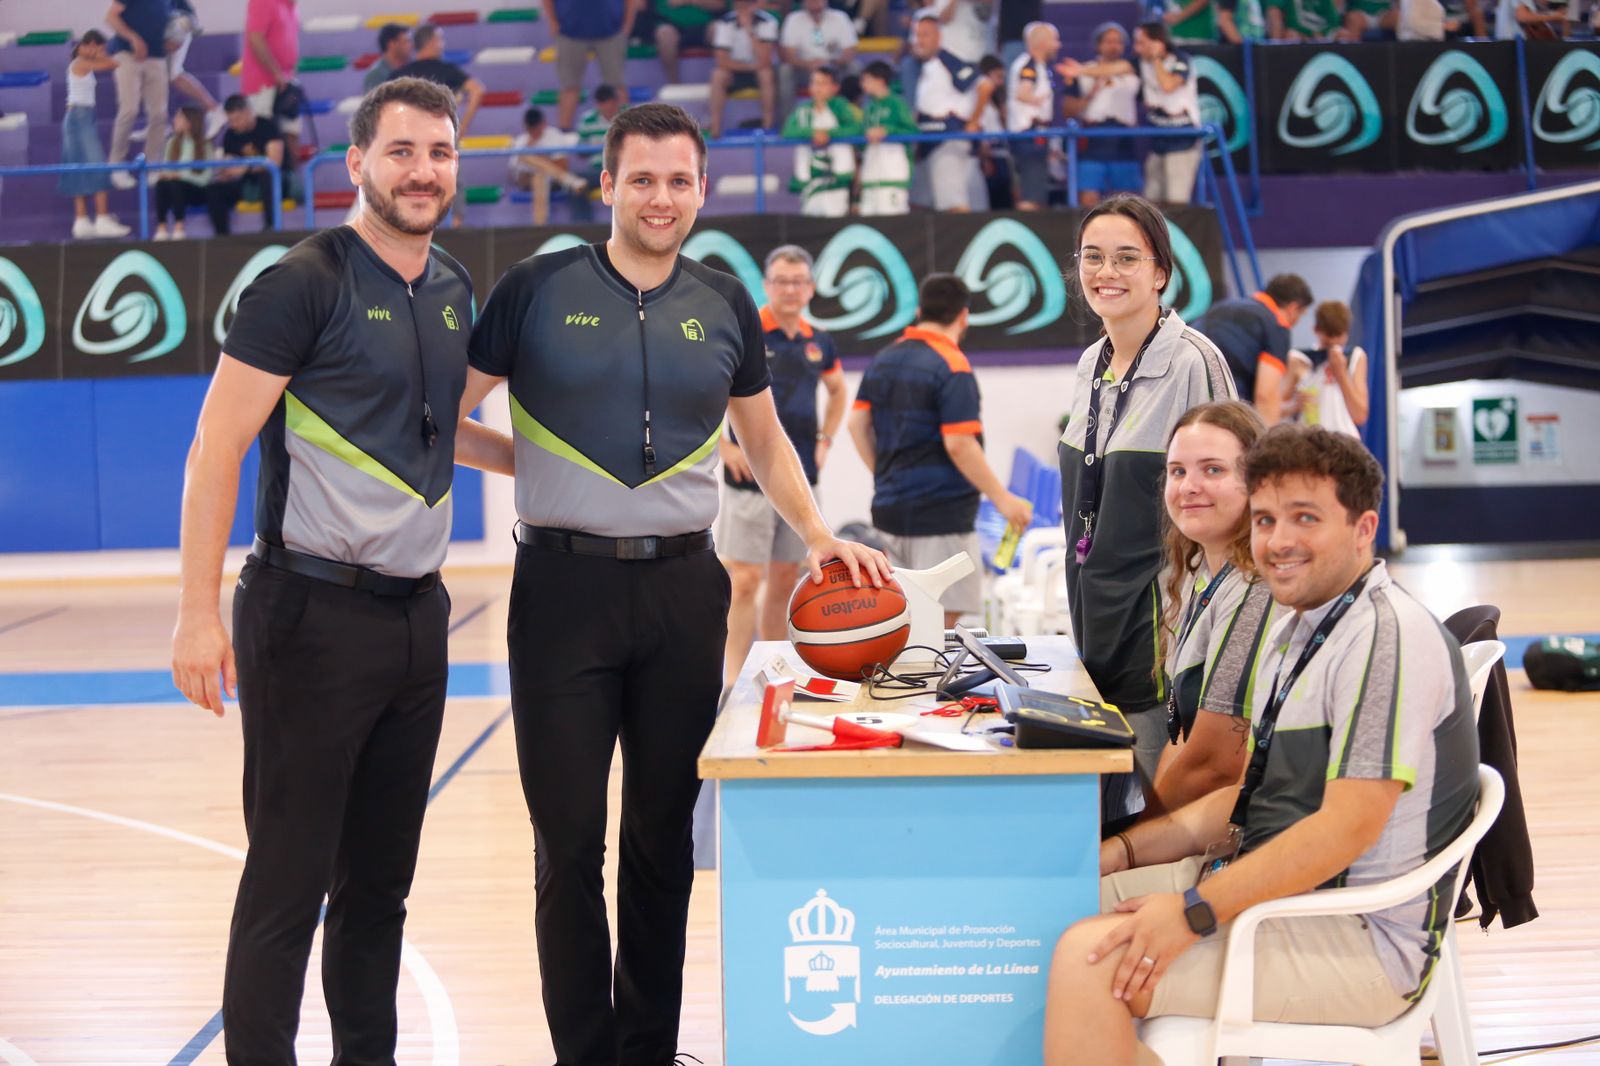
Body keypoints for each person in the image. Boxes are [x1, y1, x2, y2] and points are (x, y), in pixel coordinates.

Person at [459, 102, 890, 1066]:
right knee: (567, 846)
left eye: (680, 180)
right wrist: (531, 466)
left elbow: (768, 438)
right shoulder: (535, 288)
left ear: (703, 189)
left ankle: (649, 1047)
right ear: (606, 185)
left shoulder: (725, 300)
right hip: (562, 595)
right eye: (642, 179)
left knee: (661, 843)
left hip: (682, 593)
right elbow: (439, 418)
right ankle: (586, 1052)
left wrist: (819, 535)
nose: (662, 198)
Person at [170, 76, 510, 1064]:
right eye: (401, 152)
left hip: (419, 623)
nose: (423, 171)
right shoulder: (303, 280)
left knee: (378, 891)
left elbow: (443, 432)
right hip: (306, 614)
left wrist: (554, 463)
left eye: (440, 153)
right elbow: (214, 446)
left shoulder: (449, 286)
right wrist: (197, 614)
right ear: (357, 163)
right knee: (287, 886)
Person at [1043, 424, 1480, 1066]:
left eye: (1306, 518)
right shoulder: (1300, 629)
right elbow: (1245, 798)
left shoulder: (1385, 638)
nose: (1278, 541)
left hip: (1358, 943)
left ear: (1364, 528)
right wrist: (1121, 851)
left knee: (1089, 962)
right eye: (1267, 519)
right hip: (1283, 905)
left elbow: (1343, 831)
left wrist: (1191, 912)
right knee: (1045, 904)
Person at [1058, 193, 1237, 818]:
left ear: (1160, 271)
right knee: (1105, 811)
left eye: (1126, 258)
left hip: (1159, 621)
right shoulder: (1092, 363)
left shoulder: (1194, 361)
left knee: (1155, 814)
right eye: (1093, 257)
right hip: (1093, 611)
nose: (1106, 272)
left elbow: (1233, 499)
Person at [849, 274, 1032, 628]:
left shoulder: (884, 358)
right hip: (941, 516)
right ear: (964, 316)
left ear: (919, 311)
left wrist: (882, 473)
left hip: (888, 512)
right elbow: (960, 445)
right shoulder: (953, 365)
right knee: (935, 624)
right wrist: (1001, 499)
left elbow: (856, 426)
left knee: (901, 619)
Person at [717, 245, 848, 687]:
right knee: (746, 582)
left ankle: (772, 673)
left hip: (799, 482)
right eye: (780, 281)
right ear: (767, 286)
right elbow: (705, 391)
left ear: (809, 288)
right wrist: (724, 446)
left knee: (784, 581)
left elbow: (838, 391)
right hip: (747, 481)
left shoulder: (818, 340)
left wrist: (825, 440)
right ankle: (734, 678)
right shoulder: (745, 329)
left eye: (797, 282)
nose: (789, 290)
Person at [1148, 400, 1277, 817]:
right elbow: (1182, 735)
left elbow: (1217, 765)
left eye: (1213, 469)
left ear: (1257, 483)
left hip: (1241, 828)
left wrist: (1130, 841)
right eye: (1178, 471)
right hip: (1202, 817)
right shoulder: (1198, 570)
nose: (1188, 486)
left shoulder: (1255, 586)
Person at [1194, 273, 1312, 427]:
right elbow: (1266, 396)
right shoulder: (1277, 324)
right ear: (1293, 308)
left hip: (1190, 407)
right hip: (1224, 417)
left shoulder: (1220, 308)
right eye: (1300, 315)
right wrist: (1267, 446)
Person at [1059, 23, 1141, 208]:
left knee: (1127, 202)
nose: (1114, 46)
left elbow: (1123, 70)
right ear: (1098, 45)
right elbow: (1067, 109)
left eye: (1119, 42)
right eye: (1109, 41)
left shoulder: (1132, 70)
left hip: (1123, 140)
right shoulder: (1083, 72)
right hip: (1094, 139)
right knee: (1088, 199)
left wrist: (1082, 70)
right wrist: (1091, 93)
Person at [60, 30, 132, 239]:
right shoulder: (80, 61)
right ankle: (101, 218)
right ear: (89, 45)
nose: (102, 52)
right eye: (99, 47)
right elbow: (113, 64)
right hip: (79, 116)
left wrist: (98, 53)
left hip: (81, 116)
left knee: (81, 167)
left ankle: (81, 221)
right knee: (96, 164)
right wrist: (101, 54)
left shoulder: (81, 62)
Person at [909, 10, 980, 213]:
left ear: (938, 36)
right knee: (919, 203)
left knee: (953, 204)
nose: (919, 40)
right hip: (926, 142)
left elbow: (985, 86)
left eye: (925, 34)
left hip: (947, 139)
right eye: (917, 34)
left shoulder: (948, 60)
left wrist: (973, 121)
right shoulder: (926, 66)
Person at [104, 0, 171, 191]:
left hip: (156, 56)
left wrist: (179, 35)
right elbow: (110, 16)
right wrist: (132, 37)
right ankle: (116, 165)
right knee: (129, 109)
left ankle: (152, 164)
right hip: (127, 54)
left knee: (160, 114)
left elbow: (183, 18)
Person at [782, 65, 861, 217]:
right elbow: (787, 131)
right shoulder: (803, 109)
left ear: (835, 87)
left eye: (822, 83)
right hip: (810, 180)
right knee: (810, 221)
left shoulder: (841, 107)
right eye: (814, 83)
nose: (817, 88)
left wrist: (829, 134)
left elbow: (854, 128)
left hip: (835, 180)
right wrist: (813, 133)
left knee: (835, 218)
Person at [544, 0, 636, 131]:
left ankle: (626, 132)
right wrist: (552, 21)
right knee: (569, 86)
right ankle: (564, 135)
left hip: (611, 31)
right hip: (570, 31)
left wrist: (627, 24)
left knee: (617, 85)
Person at [1284, 300, 1369, 437]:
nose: (1334, 342)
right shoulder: (1298, 360)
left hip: (1345, 442)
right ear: (1316, 330)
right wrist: (1294, 405)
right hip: (1308, 441)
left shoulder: (1356, 357)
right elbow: (1273, 409)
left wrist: (1341, 374)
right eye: (1330, 336)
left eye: (1339, 335)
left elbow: (1360, 416)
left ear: (1347, 332)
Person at [208, 93, 288, 235]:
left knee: (267, 176)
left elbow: (274, 163)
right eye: (230, 121)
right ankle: (222, 236)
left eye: (237, 120)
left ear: (248, 112)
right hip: (247, 183)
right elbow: (229, 166)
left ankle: (271, 228)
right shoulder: (230, 135)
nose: (233, 125)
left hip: (278, 180)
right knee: (215, 189)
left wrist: (244, 169)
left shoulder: (268, 127)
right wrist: (226, 173)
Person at [1005, 21, 1064, 212]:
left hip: (1036, 136)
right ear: (1041, 42)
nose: (1058, 45)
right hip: (1029, 136)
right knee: (1031, 192)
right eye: (1055, 40)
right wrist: (1039, 99)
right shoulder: (1028, 64)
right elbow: (1023, 92)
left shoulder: (1038, 66)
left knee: (1036, 189)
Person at [390, 24, 486, 138]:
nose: (443, 44)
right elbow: (477, 90)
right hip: (439, 134)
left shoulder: (399, 74)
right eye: (440, 39)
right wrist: (462, 126)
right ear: (432, 42)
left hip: (408, 134)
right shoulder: (447, 70)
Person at [778, 0, 859, 125]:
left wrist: (830, 62)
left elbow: (849, 52)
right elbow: (788, 55)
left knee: (854, 67)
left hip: (834, 68)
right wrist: (808, 64)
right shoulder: (793, 19)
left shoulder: (840, 18)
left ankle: (852, 119)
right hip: (804, 70)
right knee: (785, 71)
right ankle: (788, 122)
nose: (814, 2)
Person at [709, 0, 779, 138]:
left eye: (749, 4)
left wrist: (749, 30)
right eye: (742, 4)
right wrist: (749, 66)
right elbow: (721, 60)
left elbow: (765, 59)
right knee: (718, 75)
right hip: (736, 70)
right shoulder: (726, 22)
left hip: (759, 70)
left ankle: (767, 127)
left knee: (766, 74)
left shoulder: (768, 21)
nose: (745, 8)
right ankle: (715, 129)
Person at [242, 0, 300, 162]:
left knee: (292, 134)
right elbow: (255, 38)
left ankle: (292, 184)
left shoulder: (290, 5)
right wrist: (276, 73)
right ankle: (268, 185)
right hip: (262, 85)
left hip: (287, 82)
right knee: (265, 139)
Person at [858, 59, 918, 216]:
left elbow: (912, 131)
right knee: (868, 225)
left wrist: (887, 130)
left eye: (866, 79)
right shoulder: (868, 107)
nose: (863, 84)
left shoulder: (897, 104)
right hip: (870, 176)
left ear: (880, 80)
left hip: (893, 175)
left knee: (893, 223)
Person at [508, 106, 586, 225]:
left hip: (552, 179)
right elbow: (513, 172)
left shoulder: (554, 135)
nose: (534, 132)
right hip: (526, 178)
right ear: (526, 127)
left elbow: (563, 165)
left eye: (536, 129)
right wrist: (531, 149)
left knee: (539, 178)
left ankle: (540, 225)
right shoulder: (522, 140)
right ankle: (570, 180)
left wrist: (541, 159)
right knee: (524, 156)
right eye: (531, 129)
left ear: (543, 124)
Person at [165, 0, 227, 139]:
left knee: (173, 74)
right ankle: (157, 122)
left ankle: (214, 108)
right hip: (170, 22)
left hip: (178, 22)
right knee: (161, 74)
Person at [152, 105, 211, 241]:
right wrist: (167, 175)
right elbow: (167, 169)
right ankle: (162, 227)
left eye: (179, 117)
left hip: (197, 189)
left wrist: (182, 176)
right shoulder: (171, 143)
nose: (175, 120)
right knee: (162, 184)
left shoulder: (205, 145)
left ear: (189, 122)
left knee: (175, 183)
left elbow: (206, 178)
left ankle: (179, 227)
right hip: (174, 186)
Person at [573, 83, 624, 221]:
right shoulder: (587, 120)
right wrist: (591, 147)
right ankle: (583, 225)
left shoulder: (627, 117)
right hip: (597, 171)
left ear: (616, 102)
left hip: (623, 169)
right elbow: (580, 151)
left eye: (610, 103)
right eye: (603, 104)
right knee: (574, 182)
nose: (607, 108)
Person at [648, 0, 726, 85]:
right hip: (674, 25)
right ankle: (674, 84)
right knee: (664, 33)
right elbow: (664, 6)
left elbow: (719, 4)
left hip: (705, 25)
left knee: (718, 28)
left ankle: (720, 82)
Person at [968, 54, 1009, 211]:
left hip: (1001, 153)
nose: (1000, 82)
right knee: (990, 201)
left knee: (1004, 201)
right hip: (988, 155)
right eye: (997, 76)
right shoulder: (977, 99)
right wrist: (985, 157)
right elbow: (977, 125)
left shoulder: (997, 101)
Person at [363, 23, 413, 92]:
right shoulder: (376, 76)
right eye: (406, 41)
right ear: (392, 44)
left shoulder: (409, 70)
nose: (411, 46)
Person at [1265, 0, 1341, 37]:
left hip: (1322, 35)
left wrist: (1321, 34)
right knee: (1291, 35)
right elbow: (1292, 22)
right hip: (1299, 34)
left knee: (1343, 35)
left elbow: (1333, 22)